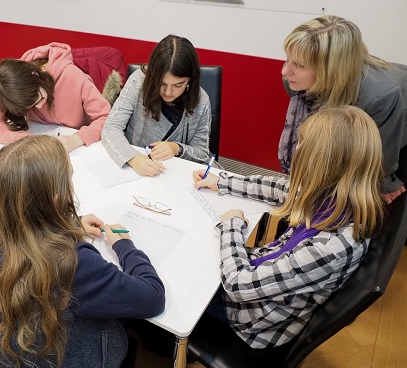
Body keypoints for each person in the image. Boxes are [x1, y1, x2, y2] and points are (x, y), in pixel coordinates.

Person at [0, 135, 165, 367]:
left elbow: (27, 228)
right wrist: (125, 246)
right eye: (69, 179)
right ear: (55, 197)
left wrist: (70, 226)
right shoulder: (73, 262)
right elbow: (153, 298)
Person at [193, 105, 384, 348]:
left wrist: (232, 225)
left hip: (250, 321)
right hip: (263, 291)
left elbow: (237, 284)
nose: (296, 148)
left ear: (323, 163)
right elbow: (281, 188)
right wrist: (222, 181)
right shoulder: (338, 199)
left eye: (303, 144)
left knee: (179, 277)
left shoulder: (329, 249)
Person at [279, 15, 407, 204]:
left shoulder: (379, 95)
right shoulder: (295, 82)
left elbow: (382, 155)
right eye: (288, 58)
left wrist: (386, 183)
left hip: (395, 129)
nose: (284, 71)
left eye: (299, 65)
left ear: (330, 70)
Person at [101, 35, 211, 177]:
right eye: (162, 83)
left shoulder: (202, 102)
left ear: (190, 79)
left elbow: (202, 154)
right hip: (134, 171)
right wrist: (133, 158)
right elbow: (110, 128)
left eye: (178, 85)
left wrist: (177, 148)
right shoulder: (138, 81)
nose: (168, 92)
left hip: (174, 177)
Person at [0, 42, 111, 152]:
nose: (39, 106)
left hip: (80, 147)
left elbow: (106, 118)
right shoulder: (10, 86)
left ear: (36, 75)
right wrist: (26, 139)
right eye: (31, 106)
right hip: (46, 145)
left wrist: (76, 139)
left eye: (39, 98)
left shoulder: (73, 76)